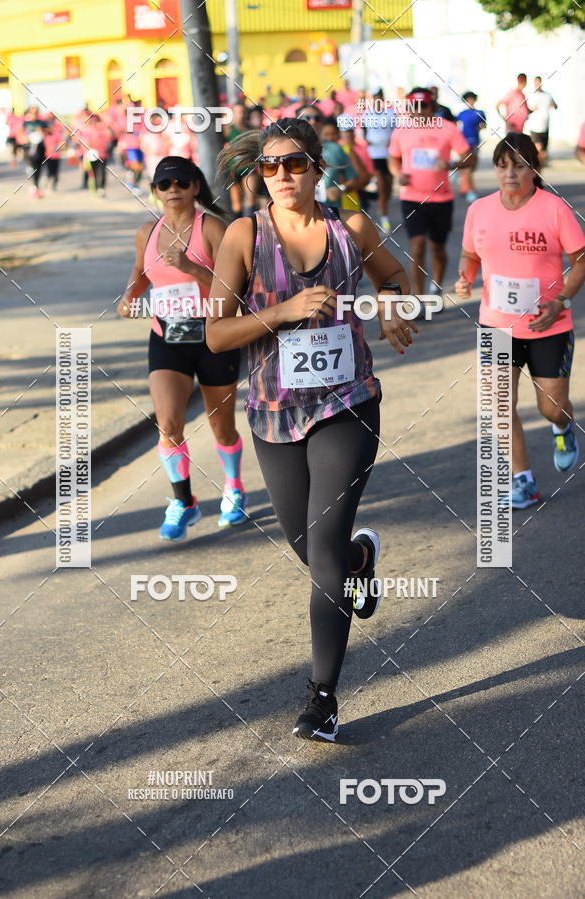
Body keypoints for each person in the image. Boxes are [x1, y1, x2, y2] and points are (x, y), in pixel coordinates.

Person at [208, 118, 417, 742]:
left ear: (316, 167)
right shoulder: (245, 236)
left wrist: (391, 306)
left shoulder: (349, 226)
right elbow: (217, 334)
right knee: (314, 552)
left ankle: (322, 698)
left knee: (320, 553)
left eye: (293, 164)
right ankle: (360, 556)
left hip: (347, 405)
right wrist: (283, 311)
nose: (281, 177)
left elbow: (397, 277)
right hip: (274, 415)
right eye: (269, 168)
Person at [118, 156, 246, 538]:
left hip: (214, 337)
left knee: (221, 428)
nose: (172, 189)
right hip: (168, 338)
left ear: (194, 187)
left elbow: (233, 287)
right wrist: (129, 297)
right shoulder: (147, 232)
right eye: (163, 184)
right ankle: (183, 502)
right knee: (168, 423)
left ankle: (234, 487)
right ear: (156, 192)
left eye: (180, 182)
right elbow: (140, 274)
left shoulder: (213, 228)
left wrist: (191, 268)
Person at [455, 134, 585, 508]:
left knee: (550, 406)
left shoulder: (554, 209)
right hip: (496, 324)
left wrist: (560, 301)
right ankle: (523, 479)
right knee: (498, 405)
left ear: (534, 169)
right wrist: (465, 276)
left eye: (519, 165)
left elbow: (581, 261)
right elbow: (469, 255)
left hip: (549, 326)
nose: (510, 173)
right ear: (494, 168)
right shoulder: (479, 209)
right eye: (502, 165)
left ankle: (562, 426)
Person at [388, 87, 472, 302]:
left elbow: (469, 158)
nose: (418, 111)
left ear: (431, 106)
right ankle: (419, 297)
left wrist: (451, 163)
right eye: (413, 106)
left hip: (441, 198)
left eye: (422, 106)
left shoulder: (447, 128)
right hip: (411, 197)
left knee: (438, 249)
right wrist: (398, 175)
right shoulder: (401, 130)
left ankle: (436, 286)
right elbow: (393, 158)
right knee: (417, 246)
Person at [296, 106, 363, 209]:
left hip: (330, 215)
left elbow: (355, 179)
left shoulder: (335, 149)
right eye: (307, 118)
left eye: (317, 118)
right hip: (298, 213)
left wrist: (341, 189)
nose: (313, 121)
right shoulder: (287, 150)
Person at [361, 90, 395, 232]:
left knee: (388, 187)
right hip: (375, 154)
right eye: (375, 99)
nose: (378, 101)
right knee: (381, 185)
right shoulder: (367, 114)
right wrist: (367, 141)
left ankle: (380, 204)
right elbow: (363, 132)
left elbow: (396, 132)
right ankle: (384, 219)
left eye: (380, 98)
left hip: (390, 155)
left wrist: (392, 143)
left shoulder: (391, 114)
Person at [319, 117, 369, 212]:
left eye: (333, 134)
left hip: (347, 203)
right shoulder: (317, 152)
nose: (330, 138)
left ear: (339, 134)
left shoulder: (346, 151)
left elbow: (363, 179)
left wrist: (342, 187)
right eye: (326, 134)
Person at [456, 91, 487, 203]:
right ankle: (470, 190)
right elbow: (456, 125)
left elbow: (484, 125)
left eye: (472, 99)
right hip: (463, 143)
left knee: (471, 167)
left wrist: (480, 127)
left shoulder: (479, 113)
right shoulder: (461, 114)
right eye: (468, 99)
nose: (470, 101)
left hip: (475, 142)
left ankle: (464, 186)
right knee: (467, 167)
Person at [527, 76, 557, 168]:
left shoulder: (547, 95)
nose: (537, 85)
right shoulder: (531, 95)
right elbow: (526, 110)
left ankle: (539, 172)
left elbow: (555, 106)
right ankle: (535, 168)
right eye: (535, 83)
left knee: (543, 151)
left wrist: (553, 105)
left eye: (539, 82)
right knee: (538, 148)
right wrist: (532, 110)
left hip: (545, 126)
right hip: (535, 126)